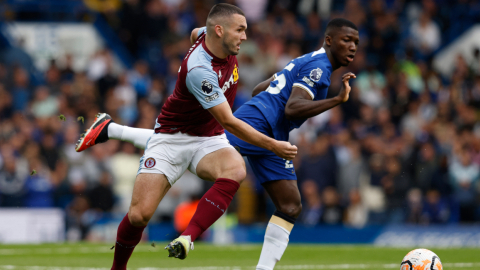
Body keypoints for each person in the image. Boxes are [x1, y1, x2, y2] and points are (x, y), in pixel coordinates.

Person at [78, 17, 358, 270]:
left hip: (270, 128)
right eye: (347, 40)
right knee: (189, 146)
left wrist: (271, 97)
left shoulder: (305, 58)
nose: (353, 47)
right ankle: (114, 130)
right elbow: (293, 108)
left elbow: (257, 83)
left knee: (290, 205)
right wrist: (336, 101)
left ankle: (261, 269)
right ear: (329, 40)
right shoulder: (319, 68)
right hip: (258, 123)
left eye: (356, 42)